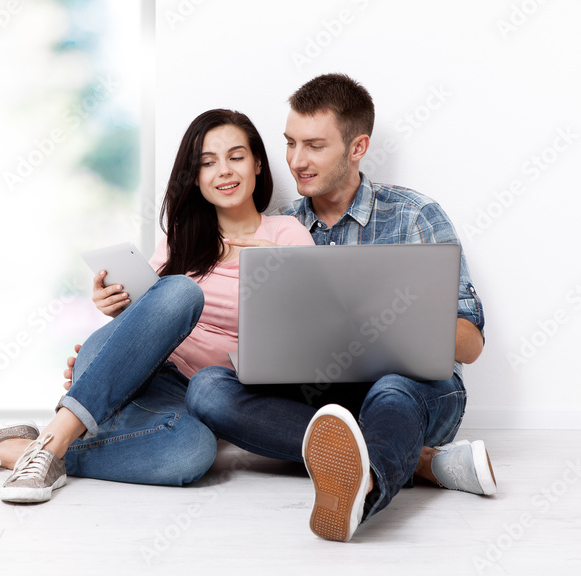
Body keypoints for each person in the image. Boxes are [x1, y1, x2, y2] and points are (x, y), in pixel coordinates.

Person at [0, 109, 314, 503]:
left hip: (194, 397)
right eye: (208, 163)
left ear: (258, 163)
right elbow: (154, 315)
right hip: (141, 372)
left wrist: (279, 270)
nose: (223, 171)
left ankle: (21, 447)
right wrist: (117, 308)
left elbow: (307, 337)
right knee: (180, 293)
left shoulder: (286, 235)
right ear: (195, 177)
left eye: (236, 157)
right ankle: (62, 433)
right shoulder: (181, 240)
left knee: (194, 452)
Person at [183, 73, 495, 542]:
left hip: (412, 391)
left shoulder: (414, 215)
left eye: (314, 146)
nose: (296, 161)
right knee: (208, 389)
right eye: (290, 144)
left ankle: (364, 485)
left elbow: (470, 345)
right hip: (318, 395)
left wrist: (384, 321)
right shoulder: (280, 228)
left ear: (357, 147)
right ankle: (418, 461)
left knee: (392, 387)